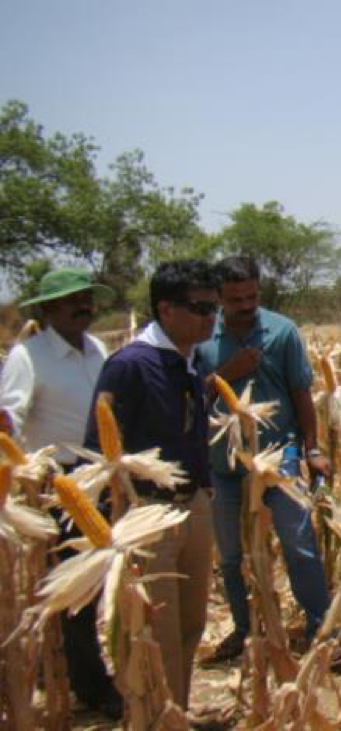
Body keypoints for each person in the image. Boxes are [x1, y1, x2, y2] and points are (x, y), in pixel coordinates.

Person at [84, 260, 218, 708]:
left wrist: (203, 488)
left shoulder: (190, 360)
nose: (210, 317)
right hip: (147, 515)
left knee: (189, 624)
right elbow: (103, 448)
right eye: (200, 307)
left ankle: (174, 713)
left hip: (191, 505)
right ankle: (154, 717)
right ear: (165, 308)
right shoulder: (130, 365)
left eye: (213, 308)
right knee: (155, 632)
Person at [0, 268, 122, 720]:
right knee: (71, 589)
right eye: (73, 301)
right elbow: (9, 419)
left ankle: (64, 670)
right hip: (54, 482)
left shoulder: (98, 350)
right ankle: (91, 686)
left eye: (87, 299)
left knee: (87, 584)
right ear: (48, 309)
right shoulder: (28, 357)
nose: (84, 307)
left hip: (96, 476)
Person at [197, 255, 330, 662]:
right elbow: (193, 400)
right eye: (236, 298)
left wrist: (312, 449)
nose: (246, 304)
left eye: (252, 295)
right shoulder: (203, 338)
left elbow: (301, 396)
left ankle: (321, 628)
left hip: (279, 456)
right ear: (219, 297)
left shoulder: (282, 332)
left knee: (299, 543)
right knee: (233, 554)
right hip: (225, 464)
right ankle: (243, 627)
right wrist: (227, 372)